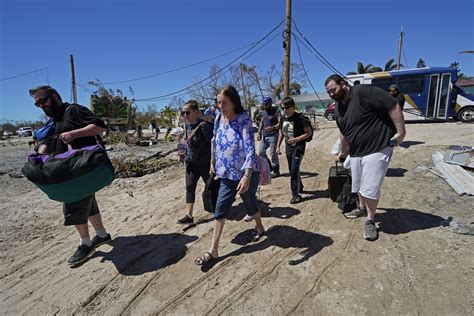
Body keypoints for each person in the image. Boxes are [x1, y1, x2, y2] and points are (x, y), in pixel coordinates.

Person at [29, 85, 111, 265]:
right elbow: (50, 140)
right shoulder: (54, 119)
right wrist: (39, 155)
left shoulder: (73, 110)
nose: (42, 105)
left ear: (55, 96)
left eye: (44, 100)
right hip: (70, 170)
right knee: (88, 202)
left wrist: (74, 134)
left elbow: (100, 127)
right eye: (37, 104)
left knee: (72, 203)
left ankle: (85, 244)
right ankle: (102, 235)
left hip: (79, 170)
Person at [324, 74, 406, 241]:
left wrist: (401, 133)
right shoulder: (339, 107)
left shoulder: (363, 92)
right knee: (359, 185)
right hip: (356, 152)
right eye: (328, 92)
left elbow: (392, 105)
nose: (332, 94)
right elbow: (344, 133)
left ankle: (370, 219)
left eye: (333, 90)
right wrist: (343, 151)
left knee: (370, 188)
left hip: (377, 148)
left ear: (343, 84)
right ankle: (361, 208)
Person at [195, 85, 265, 265]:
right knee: (220, 208)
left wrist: (247, 176)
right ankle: (214, 250)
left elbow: (250, 148)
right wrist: (213, 162)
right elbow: (214, 142)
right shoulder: (219, 118)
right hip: (226, 174)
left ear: (233, 102)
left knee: (249, 203)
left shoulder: (244, 120)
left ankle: (259, 226)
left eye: (223, 102)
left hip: (245, 173)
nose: (220, 106)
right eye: (218, 102)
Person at [176, 100, 213, 225]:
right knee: (190, 188)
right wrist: (181, 152)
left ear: (196, 112)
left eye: (187, 112)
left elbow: (215, 144)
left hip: (205, 163)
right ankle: (189, 216)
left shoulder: (204, 126)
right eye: (183, 113)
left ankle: (218, 209)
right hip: (191, 164)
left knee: (210, 187)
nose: (184, 115)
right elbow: (185, 144)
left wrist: (214, 163)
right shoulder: (185, 127)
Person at [276, 97, 313, 204]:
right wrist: (278, 146)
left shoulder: (300, 118)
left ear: (292, 107)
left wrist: (296, 139)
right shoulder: (283, 118)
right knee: (293, 170)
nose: (284, 110)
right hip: (289, 148)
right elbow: (281, 133)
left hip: (299, 147)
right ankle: (299, 186)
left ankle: (296, 195)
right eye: (282, 108)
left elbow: (308, 132)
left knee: (294, 170)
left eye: (286, 108)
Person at [257, 96, 281, 178]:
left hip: (273, 135)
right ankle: (270, 167)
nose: (264, 106)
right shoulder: (264, 112)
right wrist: (259, 132)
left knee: (273, 153)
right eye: (264, 104)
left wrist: (272, 127)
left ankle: (276, 170)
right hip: (265, 135)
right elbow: (261, 122)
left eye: (266, 104)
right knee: (261, 152)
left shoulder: (276, 111)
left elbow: (280, 123)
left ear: (270, 103)